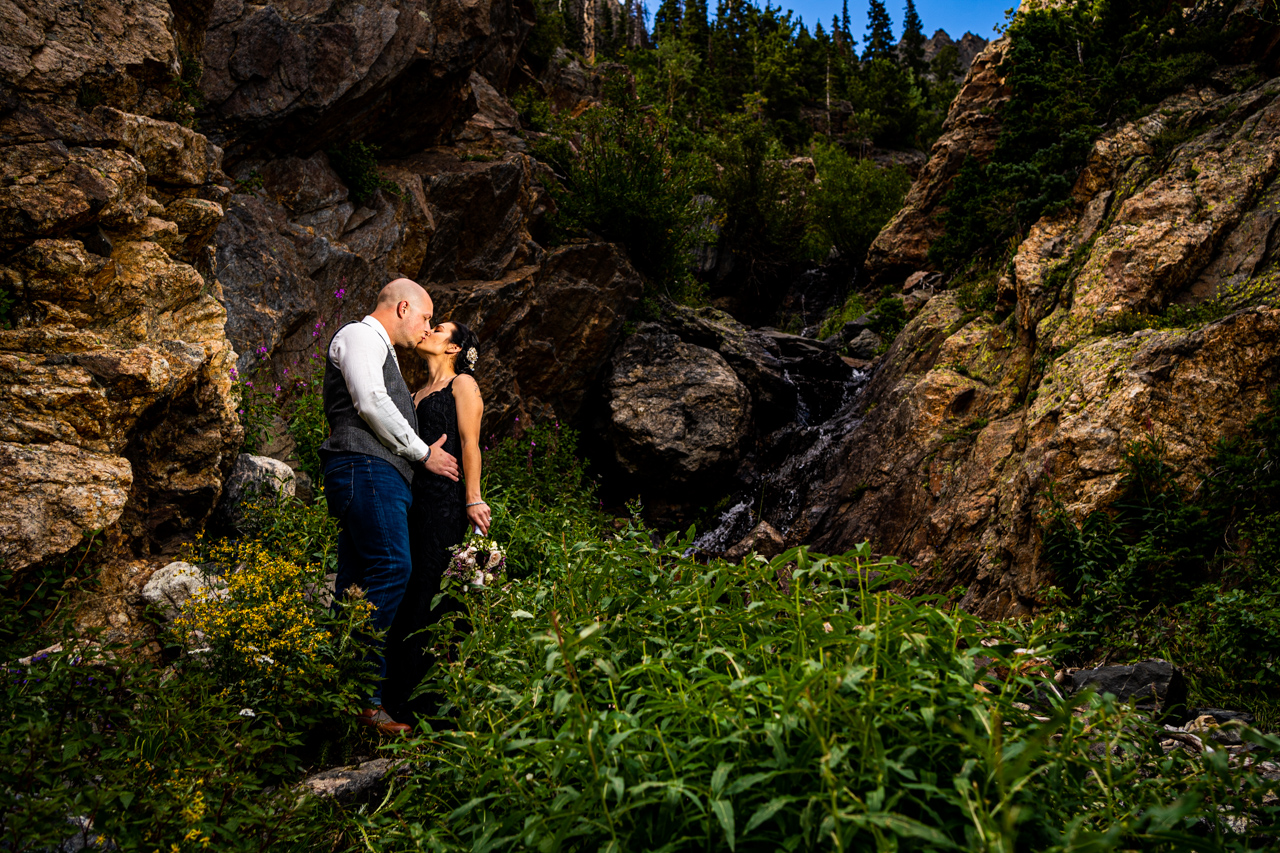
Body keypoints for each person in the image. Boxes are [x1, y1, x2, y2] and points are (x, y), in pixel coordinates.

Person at [319, 278, 459, 735]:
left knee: (356, 581)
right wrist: (423, 452)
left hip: (377, 475)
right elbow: (370, 401)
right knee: (393, 566)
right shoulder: (360, 335)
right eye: (423, 318)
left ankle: (334, 695)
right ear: (403, 308)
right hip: (365, 469)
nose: (425, 329)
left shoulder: (387, 354)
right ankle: (363, 700)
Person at [382, 320, 487, 726]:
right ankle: (396, 700)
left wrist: (473, 498)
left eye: (439, 328)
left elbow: (470, 443)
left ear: (454, 349)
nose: (429, 331)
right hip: (409, 502)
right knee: (407, 593)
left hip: (443, 504)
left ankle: (433, 708)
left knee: (431, 593)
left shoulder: (463, 385)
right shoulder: (413, 393)